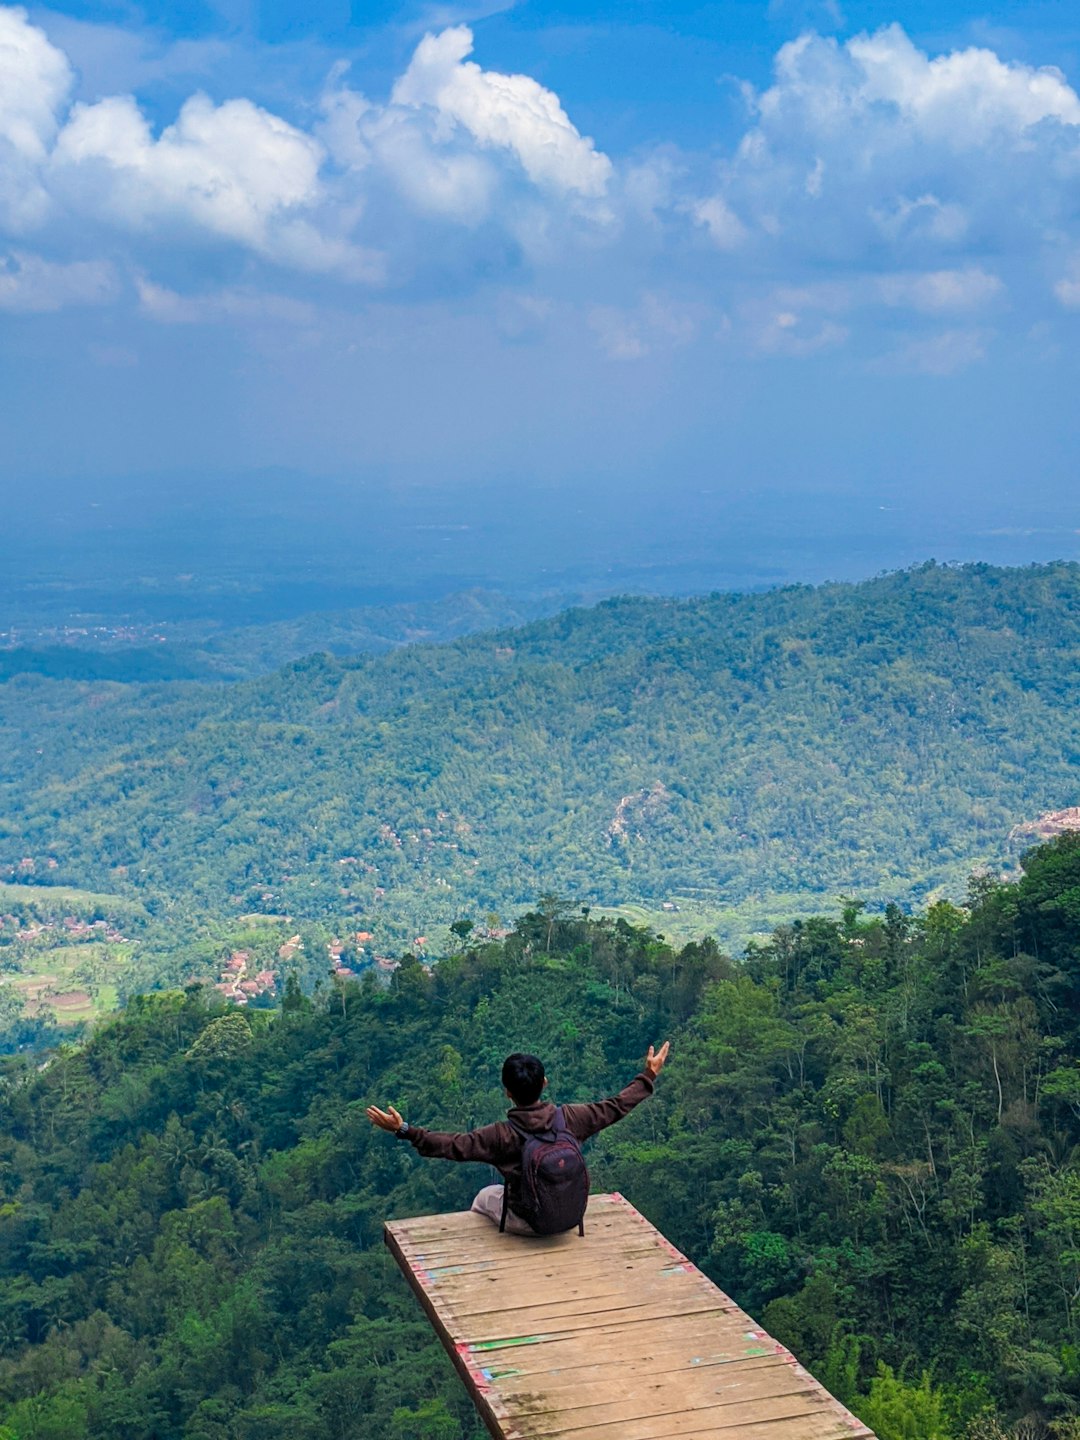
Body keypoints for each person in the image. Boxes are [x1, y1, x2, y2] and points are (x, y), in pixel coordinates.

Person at [366, 1041, 670, 1234]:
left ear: (507, 1091)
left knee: (485, 1196)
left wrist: (403, 1129)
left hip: (532, 1223)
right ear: (545, 1083)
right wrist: (648, 1076)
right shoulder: (572, 1119)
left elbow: (453, 1146)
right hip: (572, 1216)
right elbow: (615, 1107)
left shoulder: (501, 1136)